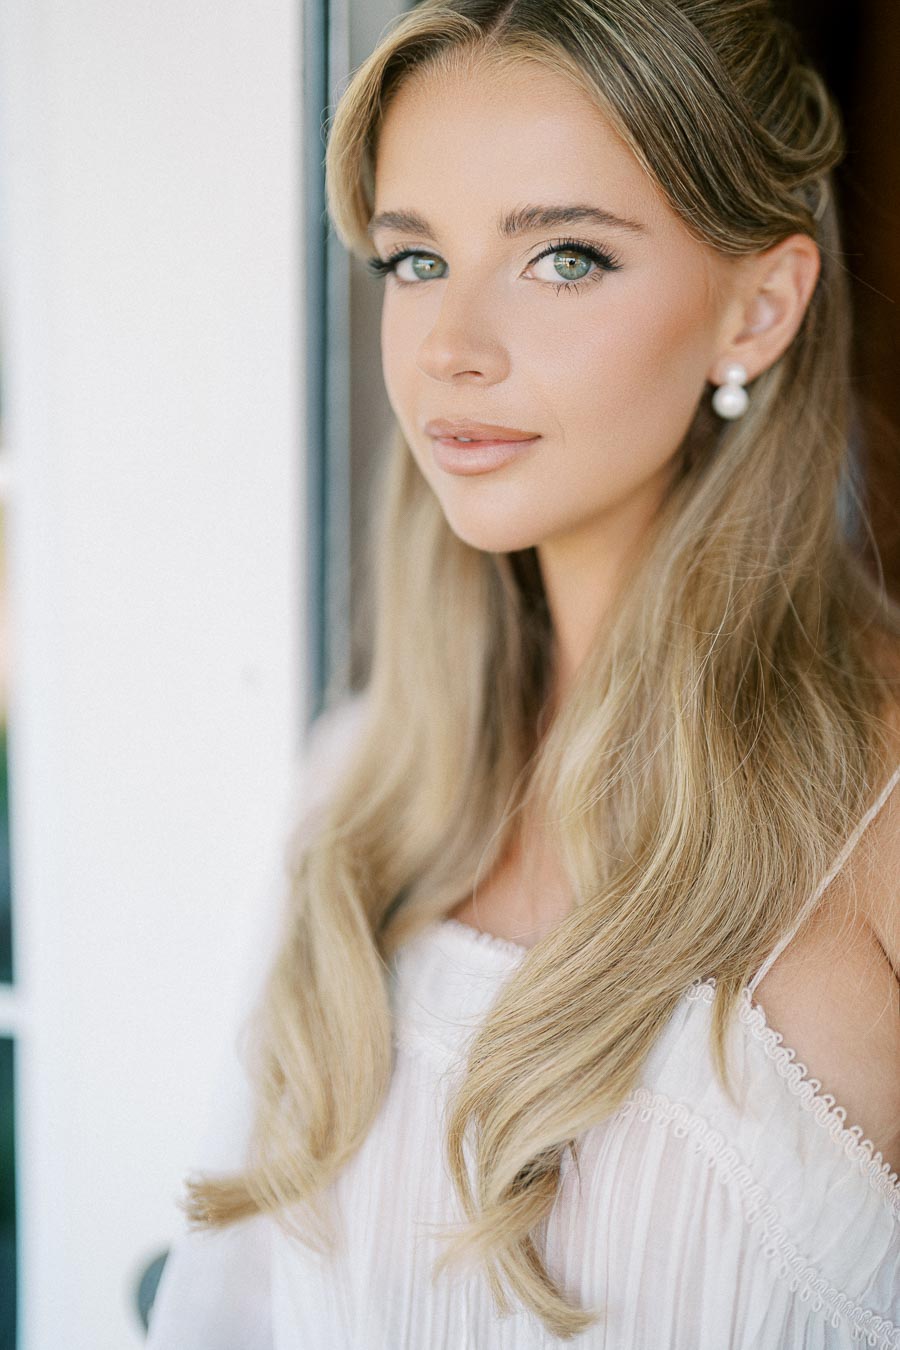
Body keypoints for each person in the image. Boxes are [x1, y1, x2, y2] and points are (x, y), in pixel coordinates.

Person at [146, 1, 900, 1345]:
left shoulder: (880, 809)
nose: (449, 347)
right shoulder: (370, 783)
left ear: (761, 306)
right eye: (416, 258)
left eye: (562, 257)